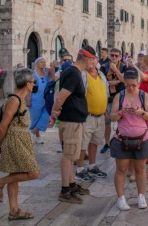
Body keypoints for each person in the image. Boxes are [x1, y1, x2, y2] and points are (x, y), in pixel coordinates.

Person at [51, 46, 97, 204]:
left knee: (72, 155)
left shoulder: (72, 72)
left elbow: (59, 95)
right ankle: (65, 191)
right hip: (71, 120)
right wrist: (54, 113)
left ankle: (71, 184)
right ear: (88, 59)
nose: (94, 63)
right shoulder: (74, 73)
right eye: (93, 60)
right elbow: (60, 97)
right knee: (68, 156)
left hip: (74, 120)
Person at [110, 67, 148, 210]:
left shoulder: (143, 96)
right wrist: (121, 112)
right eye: (128, 85)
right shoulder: (119, 96)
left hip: (142, 138)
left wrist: (140, 112)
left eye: (134, 85)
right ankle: (121, 198)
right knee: (121, 170)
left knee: (140, 169)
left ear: (138, 83)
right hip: (122, 138)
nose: (130, 87)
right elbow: (113, 117)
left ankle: (141, 196)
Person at [0, 68, 40, 221]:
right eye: (33, 81)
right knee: (33, 172)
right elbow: (3, 126)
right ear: (28, 83)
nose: (34, 84)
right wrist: (0, 143)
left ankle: (14, 211)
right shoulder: (14, 100)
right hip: (14, 141)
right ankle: (0, 183)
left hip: (21, 140)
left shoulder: (20, 99)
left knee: (14, 175)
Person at [75, 56, 109, 183]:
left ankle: (92, 166)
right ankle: (79, 169)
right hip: (87, 116)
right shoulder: (82, 75)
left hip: (100, 115)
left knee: (94, 142)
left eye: (95, 60)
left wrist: (105, 110)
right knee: (83, 143)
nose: (92, 62)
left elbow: (104, 93)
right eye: (90, 60)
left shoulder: (101, 75)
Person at [100, 48, 126, 154]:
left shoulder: (124, 67)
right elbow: (102, 82)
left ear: (119, 57)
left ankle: (121, 141)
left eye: (116, 55)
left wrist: (115, 70)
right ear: (109, 56)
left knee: (122, 120)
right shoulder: (103, 67)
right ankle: (107, 143)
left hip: (120, 97)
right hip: (108, 97)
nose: (114, 57)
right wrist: (118, 81)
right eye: (112, 55)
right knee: (107, 121)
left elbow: (125, 80)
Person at [28, 57, 49, 144]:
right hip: (35, 99)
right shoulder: (32, 74)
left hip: (46, 99)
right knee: (35, 119)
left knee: (46, 116)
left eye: (44, 62)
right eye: (42, 62)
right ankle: (38, 136)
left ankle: (32, 132)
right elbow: (27, 88)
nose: (44, 64)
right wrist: (27, 100)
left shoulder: (46, 73)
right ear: (37, 63)